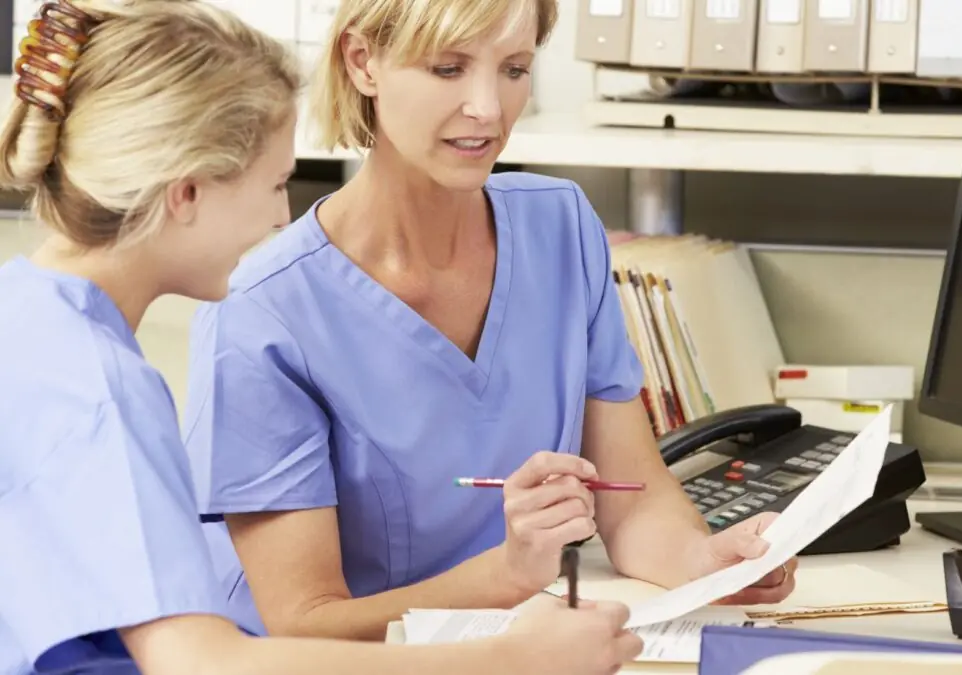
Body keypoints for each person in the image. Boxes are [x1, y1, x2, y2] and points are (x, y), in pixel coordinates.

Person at [0, 1, 643, 674]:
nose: (284, 215)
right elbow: (201, 663)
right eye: (277, 184)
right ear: (185, 193)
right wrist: (511, 660)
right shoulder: (105, 388)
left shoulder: (31, 318)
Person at [182, 0, 800, 642]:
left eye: (513, 69)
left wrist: (706, 564)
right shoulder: (262, 312)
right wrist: (509, 572)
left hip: (511, 642)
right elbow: (304, 625)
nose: (488, 107)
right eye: (448, 69)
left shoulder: (561, 226)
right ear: (363, 62)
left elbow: (632, 498)